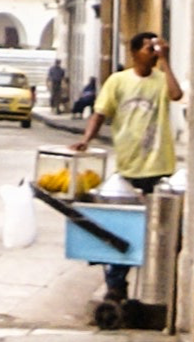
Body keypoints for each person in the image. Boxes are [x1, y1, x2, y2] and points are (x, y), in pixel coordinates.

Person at [74, 30, 184, 304]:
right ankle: (116, 284)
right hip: (128, 166)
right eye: (149, 48)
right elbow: (100, 113)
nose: (153, 53)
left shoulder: (160, 80)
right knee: (123, 228)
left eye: (156, 48)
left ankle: (156, 289)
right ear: (134, 53)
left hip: (159, 167)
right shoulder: (118, 81)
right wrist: (86, 140)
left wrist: (167, 62)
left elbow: (176, 94)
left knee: (160, 231)